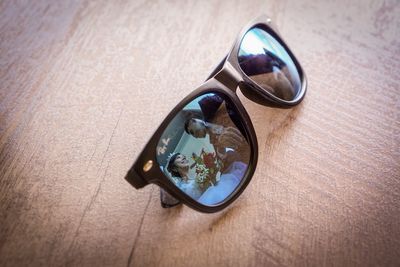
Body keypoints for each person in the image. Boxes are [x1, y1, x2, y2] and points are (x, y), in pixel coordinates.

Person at [166, 152, 248, 205]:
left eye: (183, 156)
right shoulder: (179, 187)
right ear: (174, 169)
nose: (183, 157)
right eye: (178, 158)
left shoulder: (194, 178)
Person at [184, 118, 249, 172]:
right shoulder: (214, 142)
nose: (195, 136)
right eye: (192, 135)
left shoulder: (217, 115)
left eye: (192, 132)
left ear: (196, 120)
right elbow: (223, 160)